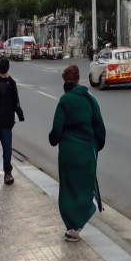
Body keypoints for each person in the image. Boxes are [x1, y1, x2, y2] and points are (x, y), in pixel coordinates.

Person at [48, 63, 105, 242]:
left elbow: (56, 132)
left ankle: (71, 227)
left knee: (69, 189)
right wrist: (96, 145)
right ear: (78, 79)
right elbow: (100, 128)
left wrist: (54, 139)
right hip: (86, 151)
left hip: (68, 153)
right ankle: (81, 219)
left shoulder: (64, 101)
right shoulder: (90, 99)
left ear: (65, 81)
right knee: (84, 187)